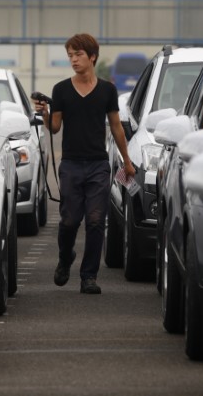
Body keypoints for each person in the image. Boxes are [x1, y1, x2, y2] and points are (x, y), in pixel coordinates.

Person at [33, 33, 135, 295]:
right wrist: (44, 114)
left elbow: (115, 127)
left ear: (92, 57)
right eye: (70, 55)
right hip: (71, 165)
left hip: (98, 165)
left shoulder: (107, 90)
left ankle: (88, 276)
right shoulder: (61, 90)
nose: (73, 60)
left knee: (95, 220)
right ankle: (65, 257)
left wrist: (127, 161)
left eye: (78, 54)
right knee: (69, 221)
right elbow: (55, 128)